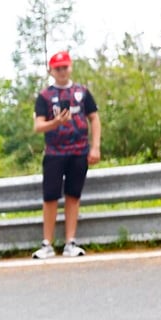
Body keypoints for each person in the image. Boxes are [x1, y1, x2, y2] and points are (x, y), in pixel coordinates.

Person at [32, 50, 101, 259]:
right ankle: (47, 243)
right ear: (51, 71)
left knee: (73, 195)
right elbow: (38, 126)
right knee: (50, 196)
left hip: (79, 151)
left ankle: (70, 241)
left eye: (65, 67)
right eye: (58, 68)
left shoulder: (82, 92)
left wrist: (95, 146)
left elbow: (94, 118)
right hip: (54, 152)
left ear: (70, 67)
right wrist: (56, 123)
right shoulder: (44, 96)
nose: (62, 71)